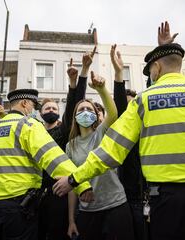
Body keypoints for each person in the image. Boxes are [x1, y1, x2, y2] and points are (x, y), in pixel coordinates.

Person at [53, 36, 185, 240]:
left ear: (156, 67)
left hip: (167, 202)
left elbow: (110, 150)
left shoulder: (143, 101)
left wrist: (74, 178)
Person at [0, 89, 92, 240]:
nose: (33, 111)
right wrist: (82, 184)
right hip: (17, 206)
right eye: (33, 106)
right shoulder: (27, 124)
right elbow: (52, 156)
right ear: (24, 103)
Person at [66, 71, 134, 240]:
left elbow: (112, 114)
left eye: (90, 109)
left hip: (116, 206)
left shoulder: (101, 133)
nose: (86, 112)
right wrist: (71, 220)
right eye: (81, 110)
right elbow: (71, 185)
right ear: (75, 117)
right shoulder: (70, 146)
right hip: (88, 211)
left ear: (96, 116)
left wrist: (102, 89)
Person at [38, 47, 95, 240]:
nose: (52, 110)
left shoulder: (62, 131)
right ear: (41, 113)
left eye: (55, 107)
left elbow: (73, 106)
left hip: (59, 193)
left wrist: (76, 81)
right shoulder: (34, 131)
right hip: (36, 195)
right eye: (48, 107)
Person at [111, 43, 147, 240]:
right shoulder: (125, 134)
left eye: (134, 104)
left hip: (157, 197)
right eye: (127, 106)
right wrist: (118, 74)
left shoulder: (150, 128)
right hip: (129, 199)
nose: (130, 109)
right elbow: (119, 104)